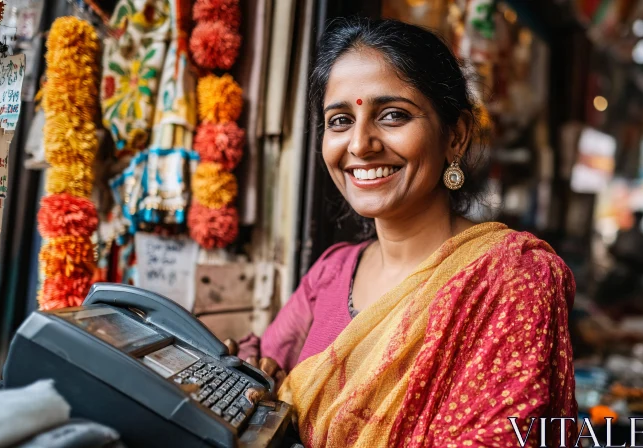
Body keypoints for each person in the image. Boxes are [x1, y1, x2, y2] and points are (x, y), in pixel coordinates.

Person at [237, 18, 576, 447]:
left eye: (393, 115)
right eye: (340, 120)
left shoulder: (510, 279)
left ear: (456, 136)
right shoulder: (331, 272)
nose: (360, 144)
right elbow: (256, 382)